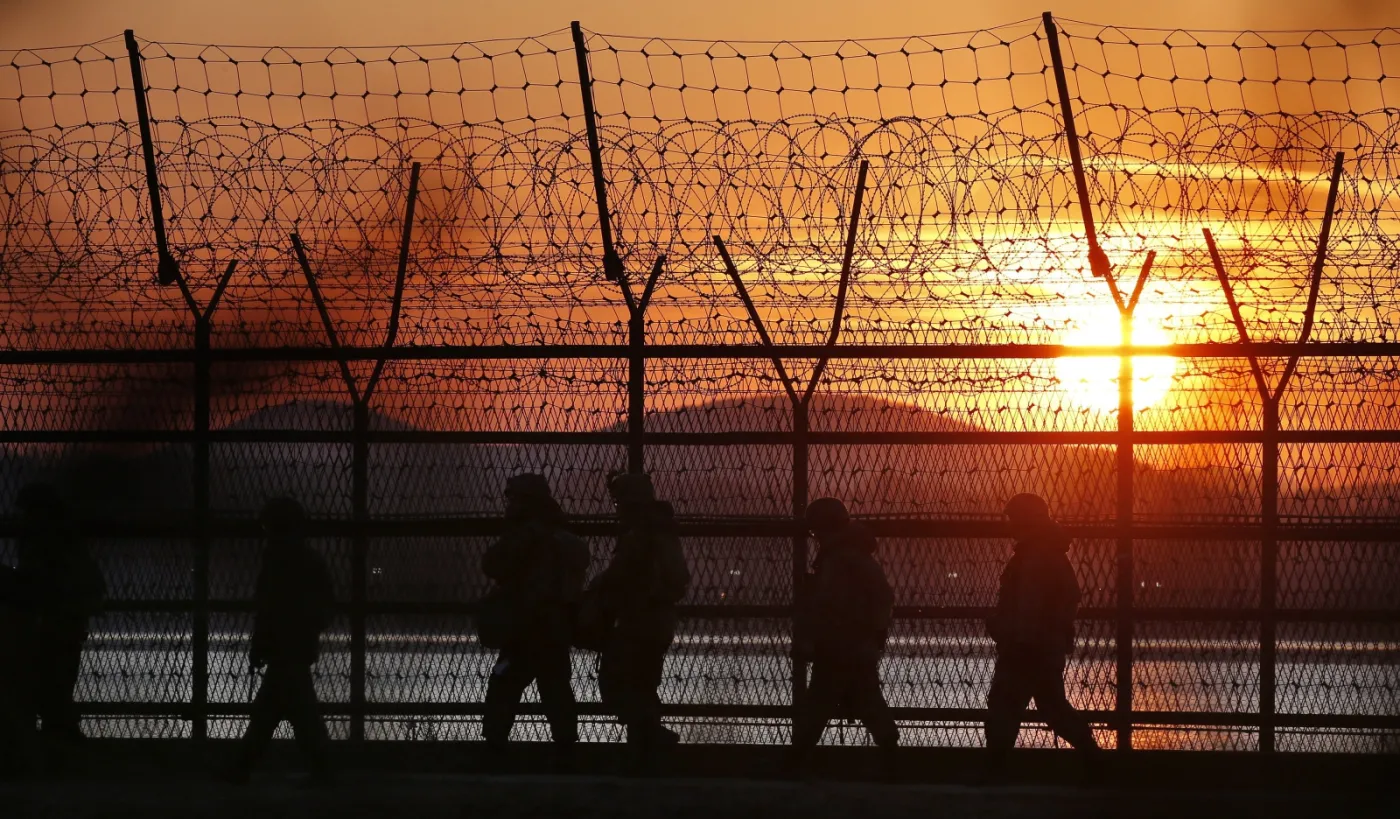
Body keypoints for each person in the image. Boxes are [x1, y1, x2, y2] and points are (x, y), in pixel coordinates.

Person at [984, 493, 1100, 778]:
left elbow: (1028, 605)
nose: (1010, 524)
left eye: (1014, 518)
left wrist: (1016, 634)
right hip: (1040, 644)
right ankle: (1094, 758)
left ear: (1026, 520)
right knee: (1051, 707)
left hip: (1027, 646)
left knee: (1004, 705)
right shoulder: (1045, 552)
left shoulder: (1035, 557)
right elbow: (1065, 599)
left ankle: (995, 769)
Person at [480, 474, 590, 762]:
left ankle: (494, 747)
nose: (509, 504)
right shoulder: (565, 537)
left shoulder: (525, 536)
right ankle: (566, 748)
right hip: (556, 623)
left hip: (525, 624)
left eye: (513, 498)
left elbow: (491, 564)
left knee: (504, 682)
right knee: (555, 685)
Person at [231, 497, 335, 785]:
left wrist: (261, 644)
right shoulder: (308, 561)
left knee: (276, 712)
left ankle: (242, 766)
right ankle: (322, 769)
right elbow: (323, 608)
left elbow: (268, 609)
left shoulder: (276, 561)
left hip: (283, 649)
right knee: (294, 711)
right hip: (297, 647)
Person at [791, 497, 898, 771]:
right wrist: (875, 634)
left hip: (840, 643)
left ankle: (797, 758)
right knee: (866, 699)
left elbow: (829, 604)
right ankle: (892, 756)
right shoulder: (848, 557)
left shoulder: (842, 559)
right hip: (852, 642)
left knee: (821, 702)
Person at [590, 472, 689, 762]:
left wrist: (608, 589)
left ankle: (651, 744)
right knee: (639, 684)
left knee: (626, 683)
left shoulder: (644, 534)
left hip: (642, 621)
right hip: (650, 621)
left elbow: (627, 576)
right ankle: (647, 747)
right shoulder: (655, 530)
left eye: (619, 501)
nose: (617, 508)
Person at [15, 483, 104, 743]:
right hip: (64, 615)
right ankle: (58, 725)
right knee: (59, 672)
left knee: (51, 672)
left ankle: (55, 725)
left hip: (55, 616)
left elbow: (36, 578)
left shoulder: (45, 539)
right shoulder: (64, 538)